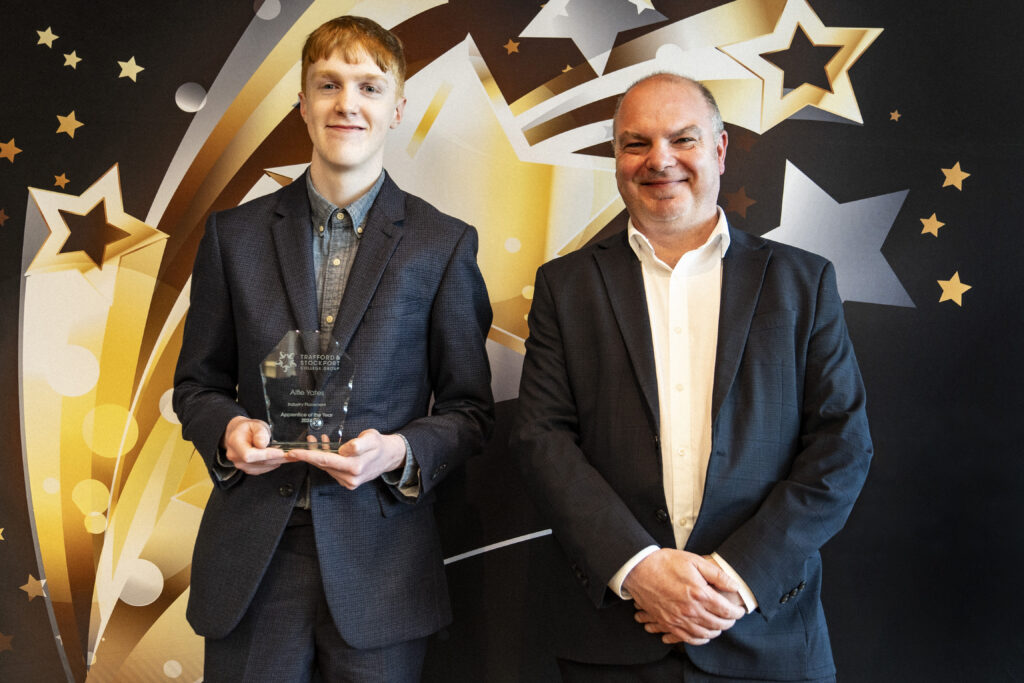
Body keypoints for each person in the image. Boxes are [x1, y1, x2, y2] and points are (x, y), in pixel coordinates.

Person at [511, 73, 872, 682]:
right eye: (636, 143)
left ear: (720, 150)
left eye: (683, 139)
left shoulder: (803, 283)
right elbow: (542, 439)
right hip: (614, 639)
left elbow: (842, 446)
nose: (660, 160)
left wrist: (734, 579)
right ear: (616, 157)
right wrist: (638, 567)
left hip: (767, 636)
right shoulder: (565, 286)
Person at [173, 16, 493, 682]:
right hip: (255, 560)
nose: (348, 103)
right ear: (302, 103)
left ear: (396, 108)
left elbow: (469, 411)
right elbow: (197, 386)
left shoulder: (443, 244)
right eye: (329, 84)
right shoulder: (233, 236)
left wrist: (397, 452)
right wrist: (228, 430)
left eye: (370, 87)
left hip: (383, 565)